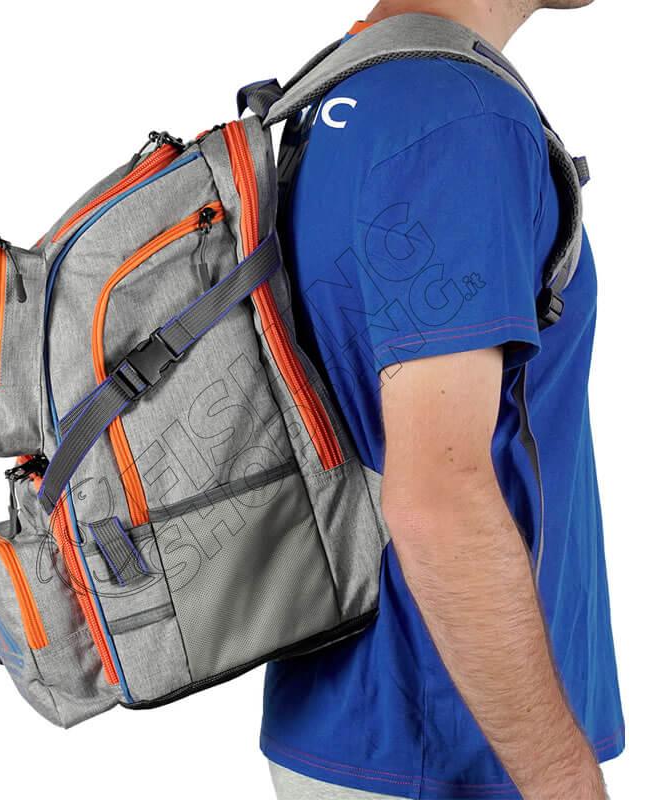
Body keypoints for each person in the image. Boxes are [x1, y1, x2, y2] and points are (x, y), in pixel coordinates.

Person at [261, 2, 624, 799]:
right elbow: (438, 499)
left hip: (353, 721)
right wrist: (565, 779)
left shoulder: (346, 89)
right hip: (452, 747)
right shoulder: (460, 118)